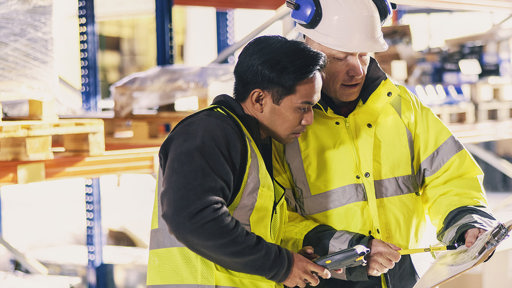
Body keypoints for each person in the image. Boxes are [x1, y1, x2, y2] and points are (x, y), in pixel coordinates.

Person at [274, 0, 498, 287]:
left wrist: (468, 223)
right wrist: (355, 249)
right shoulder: (287, 122)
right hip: (324, 277)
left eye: (364, 55)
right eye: (340, 58)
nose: (356, 69)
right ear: (309, 50)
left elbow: (451, 177)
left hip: (403, 277)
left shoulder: (403, 108)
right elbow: (273, 220)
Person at [147, 35, 334, 288]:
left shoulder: (254, 141)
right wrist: (281, 265)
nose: (309, 120)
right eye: (303, 107)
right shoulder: (208, 133)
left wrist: (291, 260)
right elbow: (193, 218)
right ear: (259, 100)